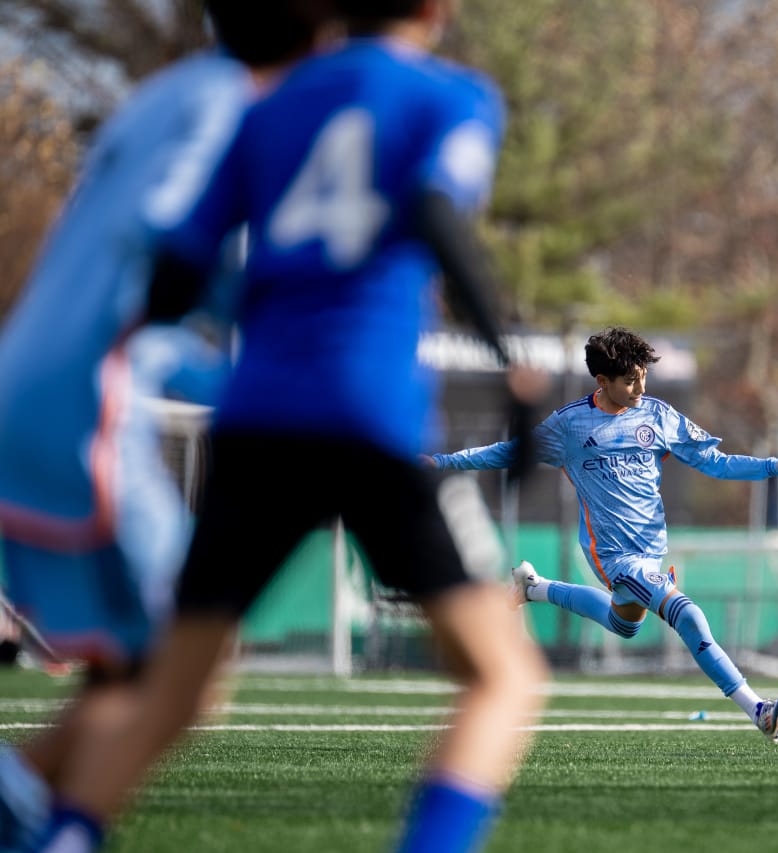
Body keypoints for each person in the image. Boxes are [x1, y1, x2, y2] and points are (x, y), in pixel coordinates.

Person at [30, 1, 550, 851]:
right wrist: (510, 358)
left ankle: (67, 837)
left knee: (172, 689)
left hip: (257, 417)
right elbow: (432, 208)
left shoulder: (269, 106)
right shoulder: (453, 96)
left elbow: (178, 271)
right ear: (438, 7)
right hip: (365, 413)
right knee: (502, 676)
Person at [0, 3, 333, 850]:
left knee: (129, 672)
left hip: (34, 385)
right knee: (188, 664)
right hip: (86, 408)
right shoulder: (233, 109)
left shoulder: (165, 92)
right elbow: (170, 241)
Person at [429, 326, 778, 743]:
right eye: (630, 379)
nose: (640, 386)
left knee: (623, 624)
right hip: (613, 556)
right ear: (602, 381)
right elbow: (507, 452)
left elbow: (713, 462)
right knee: (689, 616)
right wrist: (445, 462)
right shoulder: (570, 426)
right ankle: (758, 710)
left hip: (651, 553)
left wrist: (772, 466)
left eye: (643, 374)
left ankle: (533, 588)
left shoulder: (658, 415)